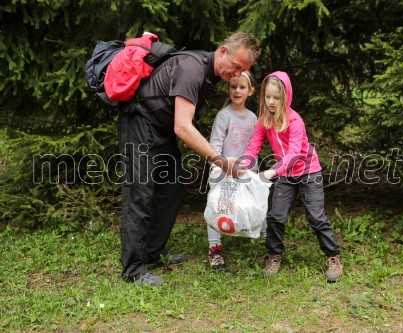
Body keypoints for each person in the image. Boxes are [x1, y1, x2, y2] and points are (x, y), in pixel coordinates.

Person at [117, 32, 260, 286]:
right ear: (223, 51)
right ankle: (134, 269)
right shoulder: (193, 69)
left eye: (244, 71)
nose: (237, 74)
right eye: (237, 66)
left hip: (159, 128)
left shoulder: (209, 74)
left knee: (170, 188)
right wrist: (220, 160)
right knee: (139, 193)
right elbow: (183, 127)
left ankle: (152, 252)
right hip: (139, 122)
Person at [242, 71, 343, 282]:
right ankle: (274, 255)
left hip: (308, 172)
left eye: (276, 98)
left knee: (316, 216)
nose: (271, 102)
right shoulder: (264, 121)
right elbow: (253, 147)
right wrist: (243, 164)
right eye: (267, 97)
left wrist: (271, 172)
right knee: (276, 216)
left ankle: (333, 257)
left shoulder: (295, 121)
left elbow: (295, 154)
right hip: (285, 175)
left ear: (285, 97)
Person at [206, 70, 259, 271]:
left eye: (242, 87)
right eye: (233, 86)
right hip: (223, 171)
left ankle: (259, 236)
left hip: (245, 172)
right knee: (217, 207)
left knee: (246, 204)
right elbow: (214, 146)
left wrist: (252, 169)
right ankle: (215, 247)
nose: (237, 91)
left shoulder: (253, 117)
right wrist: (220, 168)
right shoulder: (223, 116)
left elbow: (253, 146)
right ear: (228, 89)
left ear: (250, 91)